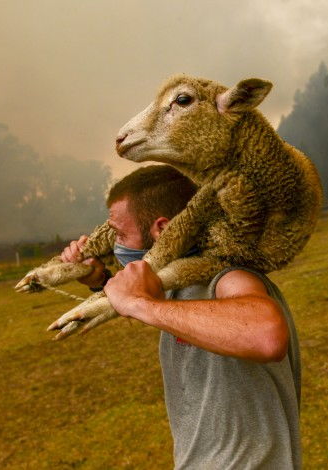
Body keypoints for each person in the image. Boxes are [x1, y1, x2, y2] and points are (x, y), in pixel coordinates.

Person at [61, 165, 302, 469]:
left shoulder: (227, 276)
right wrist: (98, 279)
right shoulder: (176, 282)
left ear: (162, 229)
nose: (118, 246)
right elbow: (165, 306)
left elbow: (267, 335)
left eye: (122, 235)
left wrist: (139, 304)